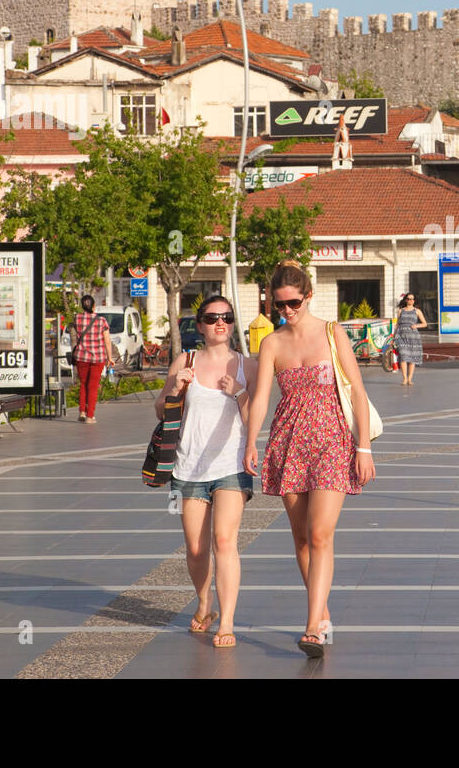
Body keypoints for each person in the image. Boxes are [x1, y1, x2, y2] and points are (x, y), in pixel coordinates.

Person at [244, 260, 376, 658]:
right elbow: (262, 397)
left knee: (320, 534)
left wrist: (364, 446)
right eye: (278, 305)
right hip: (289, 442)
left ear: (309, 296)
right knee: (301, 537)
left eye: (293, 303)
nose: (286, 311)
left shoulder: (333, 333)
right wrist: (251, 442)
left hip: (333, 441)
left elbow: (356, 391)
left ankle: (312, 628)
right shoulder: (272, 343)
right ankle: (322, 613)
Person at [156, 296, 254, 649]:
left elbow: (256, 419)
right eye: (212, 318)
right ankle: (204, 603)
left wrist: (240, 392)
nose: (220, 323)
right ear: (199, 325)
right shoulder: (186, 360)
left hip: (230, 465)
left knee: (225, 541)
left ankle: (226, 621)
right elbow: (160, 410)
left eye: (226, 317)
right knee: (197, 548)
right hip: (189, 466)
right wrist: (174, 387)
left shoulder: (246, 365)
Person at [71, 295, 115, 423]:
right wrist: (110, 357)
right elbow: (107, 340)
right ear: (94, 305)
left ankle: (82, 412)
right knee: (93, 386)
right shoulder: (101, 321)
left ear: (82, 306)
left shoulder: (77, 318)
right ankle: (90, 416)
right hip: (98, 357)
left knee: (83, 384)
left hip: (81, 356)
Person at [394, 292, 427, 385]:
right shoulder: (401, 310)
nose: (410, 300)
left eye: (412, 299)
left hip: (413, 337)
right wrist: (394, 335)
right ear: (405, 300)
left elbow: (425, 324)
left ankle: (409, 379)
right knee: (403, 357)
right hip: (401, 336)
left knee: (412, 358)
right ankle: (404, 379)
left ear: (414, 301)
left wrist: (416, 325)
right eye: (408, 299)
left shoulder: (417, 311)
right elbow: (397, 324)